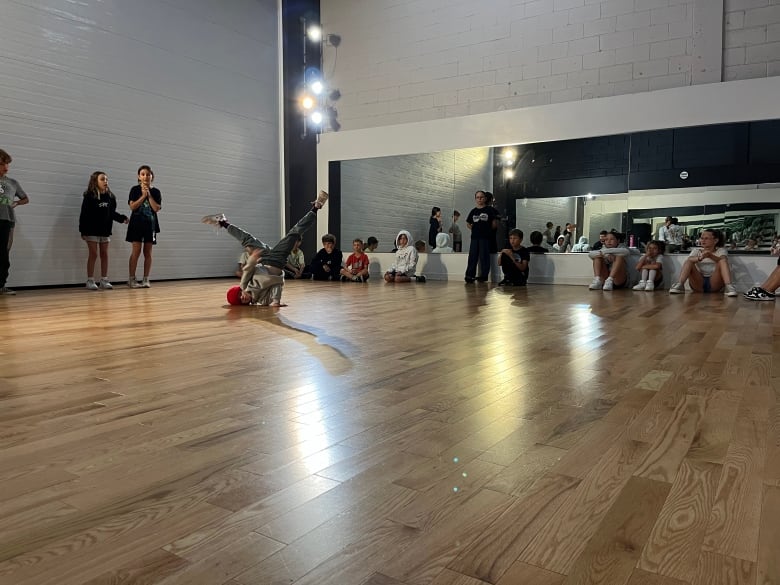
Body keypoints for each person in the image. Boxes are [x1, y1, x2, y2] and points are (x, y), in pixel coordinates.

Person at [202, 190, 329, 305]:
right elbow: (276, 284)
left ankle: (223, 222)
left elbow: (248, 270)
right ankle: (316, 207)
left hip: (263, 259)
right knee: (294, 234)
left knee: (248, 239)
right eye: (241, 300)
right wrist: (276, 301)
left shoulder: (244, 285)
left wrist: (252, 258)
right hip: (276, 260)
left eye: (240, 294)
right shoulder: (262, 301)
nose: (243, 297)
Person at [78, 171, 129, 290]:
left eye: (106, 179)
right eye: (102, 179)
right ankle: (90, 280)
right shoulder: (89, 196)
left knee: (104, 254)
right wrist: (82, 230)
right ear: (95, 181)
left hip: (105, 230)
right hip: (91, 230)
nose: (105, 181)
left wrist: (122, 218)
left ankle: (104, 280)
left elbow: (111, 213)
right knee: (93, 254)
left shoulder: (110, 197)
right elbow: (84, 214)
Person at [669, 228, 737, 296]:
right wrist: (700, 258)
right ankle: (680, 285)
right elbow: (690, 259)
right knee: (689, 261)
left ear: (715, 240)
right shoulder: (696, 251)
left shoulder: (720, 250)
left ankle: (729, 287)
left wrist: (710, 255)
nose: (703, 241)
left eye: (706, 238)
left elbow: (723, 259)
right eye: (702, 238)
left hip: (715, 282)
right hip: (698, 282)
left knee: (722, 261)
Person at [0, 148, 30, 295]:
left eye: (7, 164)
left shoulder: (12, 182)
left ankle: (1, 285)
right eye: (1, 164)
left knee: (3, 254)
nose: (5, 167)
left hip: (6, 220)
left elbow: (25, 198)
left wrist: (17, 203)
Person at [126, 165, 161, 288]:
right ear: (139, 176)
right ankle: (131, 279)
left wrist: (149, 195)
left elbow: (156, 208)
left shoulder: (156, 192)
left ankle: (146, 279)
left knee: (148, 253)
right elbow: (132, 206)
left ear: (152, 176)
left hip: (150, 226)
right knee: (136, 252)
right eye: (143, 174)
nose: (146, 176)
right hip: (136, 225)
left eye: (148, 174)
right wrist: (143, 196)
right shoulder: (134, 190)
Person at [465, 190, 499, 283]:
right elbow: (468, 223)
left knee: (484, 257)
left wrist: (487, 231)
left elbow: (494, 224)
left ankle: (483, 276)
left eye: (481, 197)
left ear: (485, 198)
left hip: (485, 237)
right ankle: (469, 276)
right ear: (475, 199)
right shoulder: (473, 211)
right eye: (477, 197)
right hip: (475, 237)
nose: (479, 199)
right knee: (472, 256)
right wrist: (473, 228)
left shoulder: (489, 210)